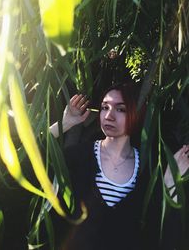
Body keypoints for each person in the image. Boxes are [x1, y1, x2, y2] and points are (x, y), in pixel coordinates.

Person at [49, 83, 189, 250]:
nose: (109, 115)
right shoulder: (77, 157)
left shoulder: (149, 169)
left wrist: (170, 185)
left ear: (136, 113)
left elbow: (160, 235)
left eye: (120, 109)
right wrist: (64, 123)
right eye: (104, 107)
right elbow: (27, 158)